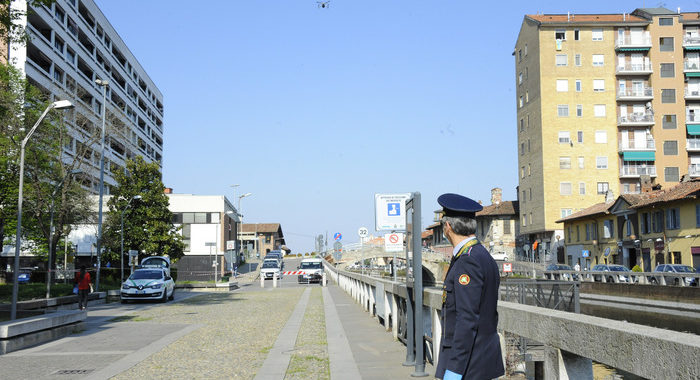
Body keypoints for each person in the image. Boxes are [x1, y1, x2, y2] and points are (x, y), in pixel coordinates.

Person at [435, 193, 504, 380]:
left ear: (447, 227)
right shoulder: (482, 255)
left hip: (469, 365)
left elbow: (466, 320)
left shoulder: (467, 261)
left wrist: (454, 370)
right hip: (482, 360)